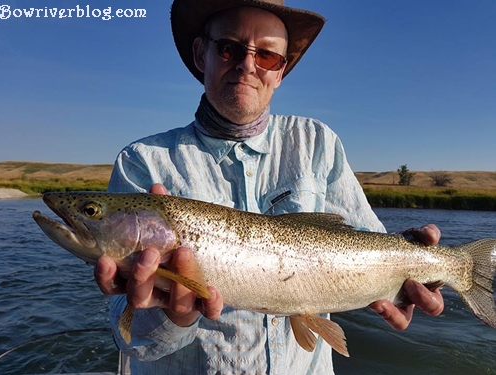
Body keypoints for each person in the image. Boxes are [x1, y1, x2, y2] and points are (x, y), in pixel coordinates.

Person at [94, 0, 444, 373]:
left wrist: (408, 273)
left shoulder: (318, 142)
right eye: (229, 48)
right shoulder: (142, 161)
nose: (248, 65)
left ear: (281, 71)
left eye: (267, 56)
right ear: (201, 54)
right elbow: (129, 338)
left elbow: (367, 242)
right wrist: (174, 318)